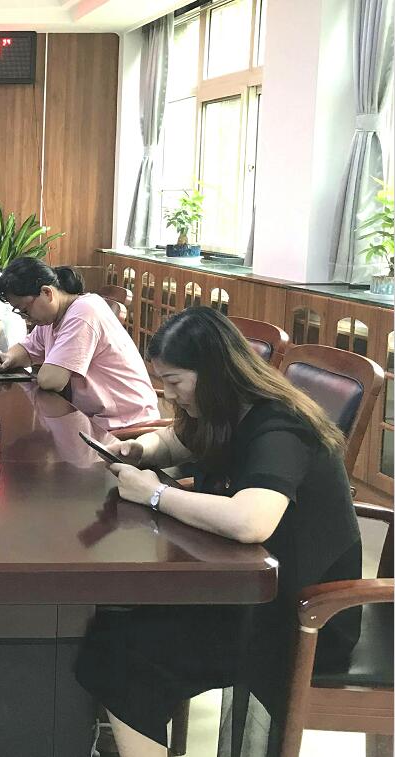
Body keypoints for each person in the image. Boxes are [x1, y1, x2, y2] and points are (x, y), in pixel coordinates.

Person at [78, 307, 361, 757]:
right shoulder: (227, 409)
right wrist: (139, 451)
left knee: (126, 653)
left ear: (213, 372)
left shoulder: (280, 424)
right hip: (246, 588)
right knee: (113, 625)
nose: (169, 393)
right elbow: (174, 440)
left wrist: (155, 495)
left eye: (174, 381)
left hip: (302, 616)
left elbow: (251, 521)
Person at [0, 258, 159, 431]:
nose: (27, 318)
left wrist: (42, 369)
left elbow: (51, 380)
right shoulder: (51, 318)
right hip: (91, 418)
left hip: (124, 424)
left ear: (47, 293)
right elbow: (26, 349)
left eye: (25, 310)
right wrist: (7, 358)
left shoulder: (83, 312)